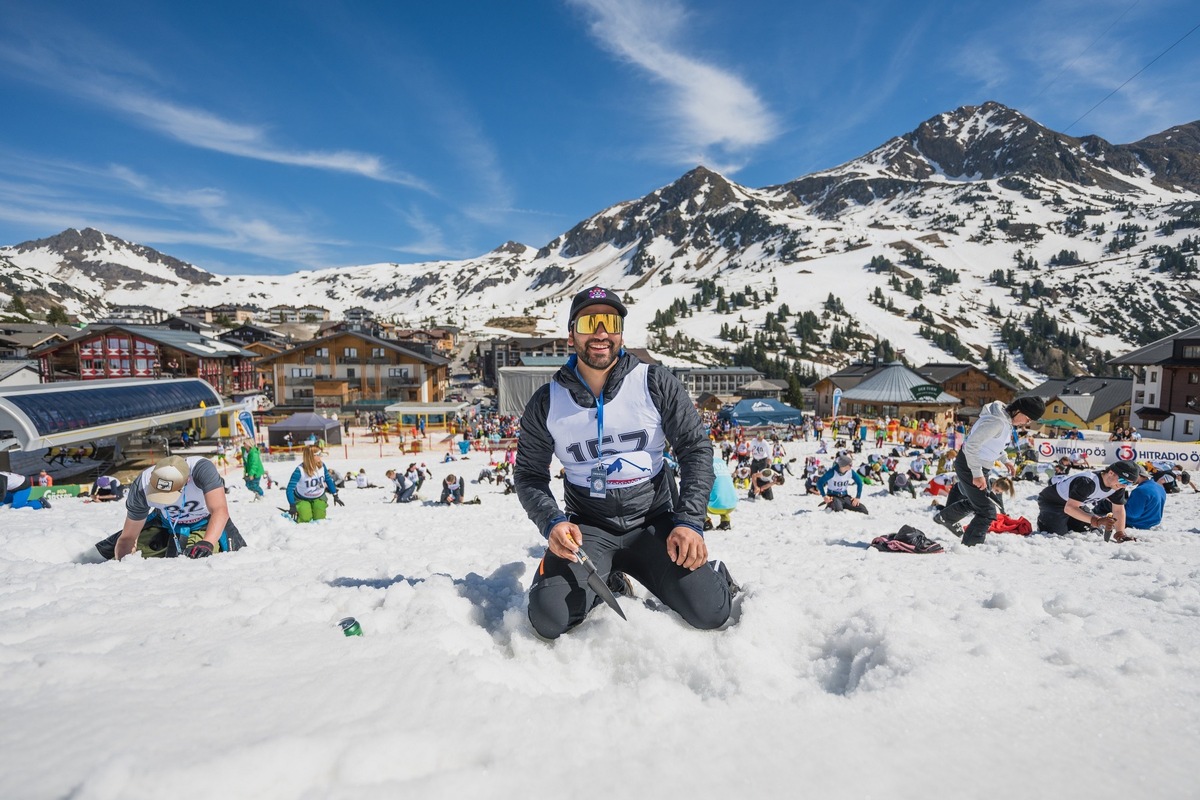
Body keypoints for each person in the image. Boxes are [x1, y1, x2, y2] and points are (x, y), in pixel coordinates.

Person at [515, 286, 737, 640]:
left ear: (620, 331)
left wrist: (690, 522)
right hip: (588, 529)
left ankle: (717, 575)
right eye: (590, 322)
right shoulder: (547, 401)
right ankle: (612, 577)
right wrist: (552, 522)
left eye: (610, 322)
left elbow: (695, 449)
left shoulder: (654, 381)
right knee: (548, 618)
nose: (601, 332)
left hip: (654, 523)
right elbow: (528, 474)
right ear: (571, 333)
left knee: (711, 612)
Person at [933, 396, 1044, 546]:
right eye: (1028, 418)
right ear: (1018, 410)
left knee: (979, 502)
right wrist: (977, 474)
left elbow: (993, 445)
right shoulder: (996, 422)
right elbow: (971, 446)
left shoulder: (1004, 421)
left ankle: (947, 517)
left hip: (977, 465)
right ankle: (971, 547)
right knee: (987, 512)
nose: (1027, 423)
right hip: (970, 465)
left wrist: (1005, 460)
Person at [94, 456, 246, 560]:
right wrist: (123, 565)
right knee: (129, 555)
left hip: (204, 524)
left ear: (186, 481)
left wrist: (207, 542)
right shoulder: (142, 486)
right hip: (166, 524)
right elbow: (128, 537)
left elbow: (219, 510)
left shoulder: (202, 470)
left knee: (198, 560)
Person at [1035, 460, 1139, 541]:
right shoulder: (1088, 481)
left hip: (1076, 504)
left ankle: (1068, 520)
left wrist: (1120, 533)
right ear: (1111, 473)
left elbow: (1118, 510)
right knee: (1056, 534)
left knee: (1092, 530)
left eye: (1129, 483)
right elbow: (1070, 508)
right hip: (1053, 502)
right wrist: (1097, 520)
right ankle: (1044, 521)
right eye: (1122, 480)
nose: (1124, 485)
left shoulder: (1117, 487)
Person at [1093, 465, 1165, 530]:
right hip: (1152, 521)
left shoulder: (1140, 490)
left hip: (1138, 523)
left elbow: (1132, 514)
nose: (1128, 479)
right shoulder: (1159, 487)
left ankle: (1091, 517)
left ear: (1138, 475)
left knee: (1108, 503)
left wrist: (1114, 502)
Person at [285, 446, 344, 523]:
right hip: (302, 498)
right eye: (318, 454)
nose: (321, 455)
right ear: (311, 456)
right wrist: (292, 505)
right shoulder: (299, 470)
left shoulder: (322, 466)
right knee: (305, 519)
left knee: (320, 519)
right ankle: (299, 512)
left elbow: (328, 480)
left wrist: (335, 495)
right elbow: (289, 489)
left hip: (319, 496)